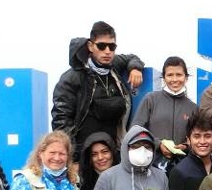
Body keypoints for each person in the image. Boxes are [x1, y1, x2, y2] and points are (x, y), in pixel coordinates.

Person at [51, 20, 145, 161]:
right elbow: (61, 123)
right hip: (84, 156)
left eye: (112, 46)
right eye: (101, 46)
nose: (107, 51)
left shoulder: (115, 66)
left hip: (114, 153)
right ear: (90, 45)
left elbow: (132, 57)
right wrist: (74, 159)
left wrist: (135, 68)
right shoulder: (71, 78)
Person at [132, 56, 198, 173]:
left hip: (182, 168)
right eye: (170, 75)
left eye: (179, 75)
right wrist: (158, 144)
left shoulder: (193, 107)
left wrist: (186, 147)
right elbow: (136, 129)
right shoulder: (151, 99)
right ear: (164, 77)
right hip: (151, 165)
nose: (174, 79)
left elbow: (197, 136)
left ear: (186, 78)